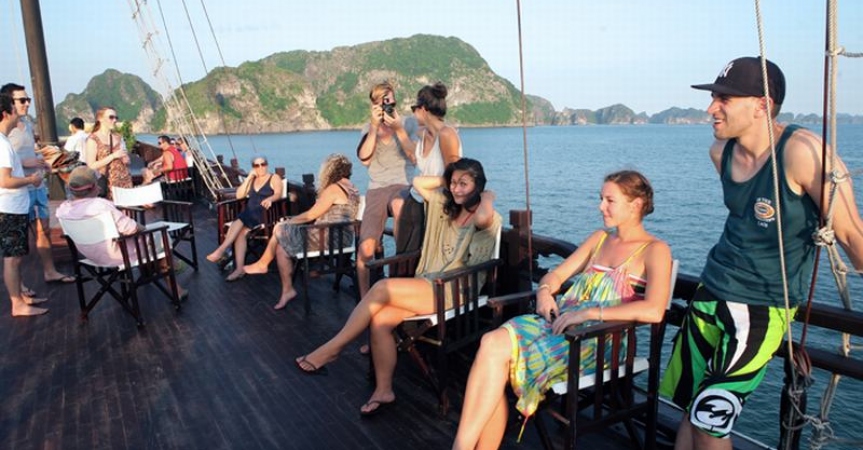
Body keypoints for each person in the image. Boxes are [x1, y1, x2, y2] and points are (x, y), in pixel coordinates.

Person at [659, 56, 863, 450]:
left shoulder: (802, 153)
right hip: (710, 291)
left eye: (724, 99)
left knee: (709, 422)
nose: (711, 108)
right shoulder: (720, 152)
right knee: (688, 407)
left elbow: (853, 236)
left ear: (761, 105)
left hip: (761, 308)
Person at [452, 170, 672, 450]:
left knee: (497, 363)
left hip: (599, 340)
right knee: (491, 342)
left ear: (635, 204)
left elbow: (654, 311)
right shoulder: (600, 239)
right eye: (601, 198)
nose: (600, 206)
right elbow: (555, 276)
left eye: (609, 200)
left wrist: (589, 314)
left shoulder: (654, 250)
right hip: (560, 324)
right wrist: (545, 292)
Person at [295, 158, 501, 416]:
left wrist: (487, 195)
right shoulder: (445, 206)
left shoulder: (487, 215)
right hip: (428, 283)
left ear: (478, 185)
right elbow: (418, 182)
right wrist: (449, 179)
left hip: (453, 290)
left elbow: (482, 216)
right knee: (380, 320)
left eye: (464, 184)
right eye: (454, 183)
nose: (456, 189)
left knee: (382, 287)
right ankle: (384, 390)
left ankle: (333, 349)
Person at [243, 153, 359, 309]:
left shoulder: (334, 189)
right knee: (281, 246)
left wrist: (288, 222)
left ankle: (264, 265)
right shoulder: (352, 187)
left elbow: (311, 215)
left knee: (280, 229)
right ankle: (286, 289)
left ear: (330, 170)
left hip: (330, 237)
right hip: (342, 237)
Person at [56, 166, 187, 299]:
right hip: (118, 256)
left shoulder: (63, 210)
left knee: (148, 241)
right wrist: (143, 228)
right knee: (159, 234)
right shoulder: (101, 205)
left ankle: (152, 270)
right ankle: (173, 282)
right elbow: (131, 228)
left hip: (91, 257)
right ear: (94, 187)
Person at [1, 83, 74, 287]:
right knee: (19, 240)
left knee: (44, 230)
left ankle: (50, 271)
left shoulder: (27, 123)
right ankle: (19, 285)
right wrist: (25, 162)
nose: (27, 103)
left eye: (28, 100)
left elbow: (30, 150)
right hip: (18, 189)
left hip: (37, 185)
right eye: (22, 100)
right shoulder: (4, 131)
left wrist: (43, 160)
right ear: (9, 104)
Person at [355, 81, 419, 299]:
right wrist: (374, 127)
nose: (386, 105)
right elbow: (364, 159)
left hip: (402, 183)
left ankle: (399, 272)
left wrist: (399, 129)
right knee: (366, 249)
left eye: (389, 100)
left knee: (399, 204)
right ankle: (364, 298)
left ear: (395, 100)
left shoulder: (408, 123)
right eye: (381, 102)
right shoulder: (368, 128)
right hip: (377, 187)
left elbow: (415, 157)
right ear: (373, 105)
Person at [396, 82, 462, 254]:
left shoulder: (447, 135)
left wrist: (421, 182)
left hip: (434, 205)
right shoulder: (423, 134)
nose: (413, 113)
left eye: (414, 108)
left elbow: (455, 178)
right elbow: (414, 154)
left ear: (423, 110)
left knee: (421, 257)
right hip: (415, 202)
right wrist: (397, 129)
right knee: (404, 255)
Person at [0, 93, 49, 316]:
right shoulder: (2, 145)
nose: (18, 111)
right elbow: (4, 181)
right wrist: (31, 180)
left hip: (13, 207)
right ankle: (17, 304)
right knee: (12, 259)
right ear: (5, 113)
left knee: (16, 258)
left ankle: (21, 297)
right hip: (9, 208)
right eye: (14, 107)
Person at [206, 156, 283, 281]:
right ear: (253, 167)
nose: (260, 167)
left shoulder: (274, 177)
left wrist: (270, 199)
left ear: (267, 165)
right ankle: (239, 269)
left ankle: (222, 249)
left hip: (264, 214)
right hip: (249, 213)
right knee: (240, 232)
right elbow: (239, 195)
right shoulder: (252, 180)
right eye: (257, 165)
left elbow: (278, 193)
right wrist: (249, 178)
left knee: (240, 219)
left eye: (263, 164)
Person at [85, 107, 132, 201]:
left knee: (126, 208)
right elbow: (91, 165)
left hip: (124, 180)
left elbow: (127, 159)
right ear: (100, 119)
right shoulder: (93, 139)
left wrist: (127, 160)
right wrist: (113, 156)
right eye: (111, 117)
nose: (114, 120)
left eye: (116, 117)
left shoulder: (118, 137)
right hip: (107, 183)